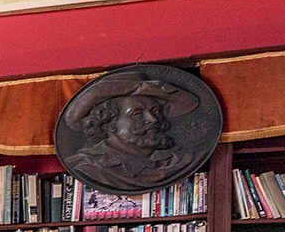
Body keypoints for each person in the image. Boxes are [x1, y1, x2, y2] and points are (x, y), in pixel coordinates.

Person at [59, 73, 203, 192]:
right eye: (137, 114)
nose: (152, 119)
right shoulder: (90, 166)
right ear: (109, 123)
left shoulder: (181, 159)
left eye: (155, 111)